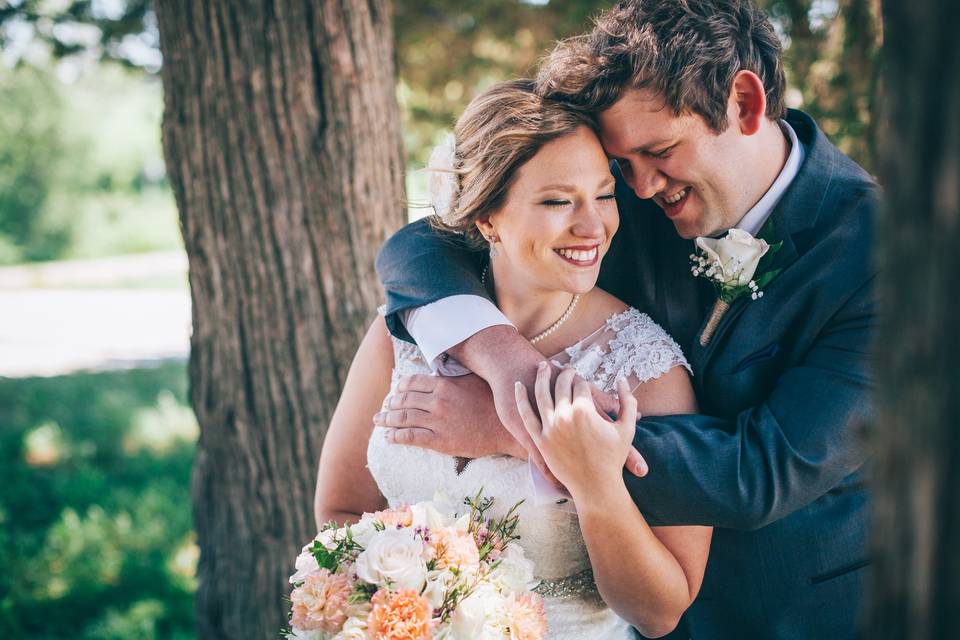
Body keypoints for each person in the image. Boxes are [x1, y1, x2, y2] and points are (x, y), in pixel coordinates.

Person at [374, 1, 879, 639]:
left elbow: (762, 472)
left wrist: (527, 428)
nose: (638, 190)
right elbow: (422, 245)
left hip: (806, 614)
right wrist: (506, 362)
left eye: (659, 151)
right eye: (624, 167)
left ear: (744, 105)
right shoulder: (629, 187)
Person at [314, 79, 710, 638]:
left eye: (603, 194)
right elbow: (341, 510)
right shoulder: (403, 334)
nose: (593, 225)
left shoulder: (644, 372)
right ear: (485, 219)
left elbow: (661, 610)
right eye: (556, 201)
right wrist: (406, 607)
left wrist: (587, 478)